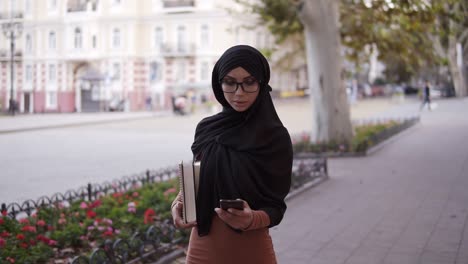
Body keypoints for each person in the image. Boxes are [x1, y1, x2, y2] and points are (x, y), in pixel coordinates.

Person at [171, 45, 293, 263]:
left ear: (262, 84)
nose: (239, 93)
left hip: (251, 249)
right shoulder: (207, 129)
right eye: (229, 82)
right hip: (202, 249)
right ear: (219, 84)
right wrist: (180, 203)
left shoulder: (275, 137)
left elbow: (276, 208)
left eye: (249, 82)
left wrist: (250, 219)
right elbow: (203, 179)